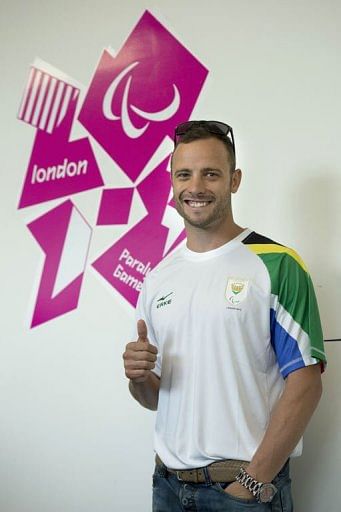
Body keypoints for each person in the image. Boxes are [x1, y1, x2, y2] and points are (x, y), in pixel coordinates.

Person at [123, 120, 326, 511]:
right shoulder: (158, 278)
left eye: (211, 174)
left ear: (234, 180)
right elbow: (155, 397)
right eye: (184, 174)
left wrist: (251, 483)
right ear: (171, 183)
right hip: (167, 487)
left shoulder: (278, 264)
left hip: (241, 491)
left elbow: (305, 383)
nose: (196, 186)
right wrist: (139, 377)